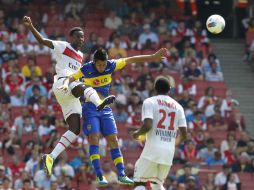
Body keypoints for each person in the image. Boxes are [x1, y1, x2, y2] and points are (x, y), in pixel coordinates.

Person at [22, 16, 115, 177]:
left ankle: (50, 157)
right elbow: (43, 41)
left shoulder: (80, 56)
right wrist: (30, 26)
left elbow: (79, 76)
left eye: (83, 37)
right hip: (62, 83)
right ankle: (99, 103)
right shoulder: (63, 46)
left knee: (75, 129)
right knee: (85, 87)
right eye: (78, 36)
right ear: (71, 37)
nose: (81, 39)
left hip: (70, 94)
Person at [59, 48, 167, 186]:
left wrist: (152, 57)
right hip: (90, 108)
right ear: (94, 62)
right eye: (99, 65)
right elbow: (71, 77)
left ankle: (121, 174)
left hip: (105, 109)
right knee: (94, 137)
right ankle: (99, 174)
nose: (102, 67)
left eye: (103, 65)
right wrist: (64, 84)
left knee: (113, 140)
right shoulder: (86, 69)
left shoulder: (111, 65)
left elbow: (131, 59)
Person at [131, 76, 188, 190]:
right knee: (157, 184)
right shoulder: (179, 107)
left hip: (153, 149)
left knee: (139, 182)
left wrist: (137, 134)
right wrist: (173, 144)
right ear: (169, 89)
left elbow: (148, 125)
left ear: (155, 88)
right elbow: (184, 134)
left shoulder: (150, 102)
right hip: (168, 152)